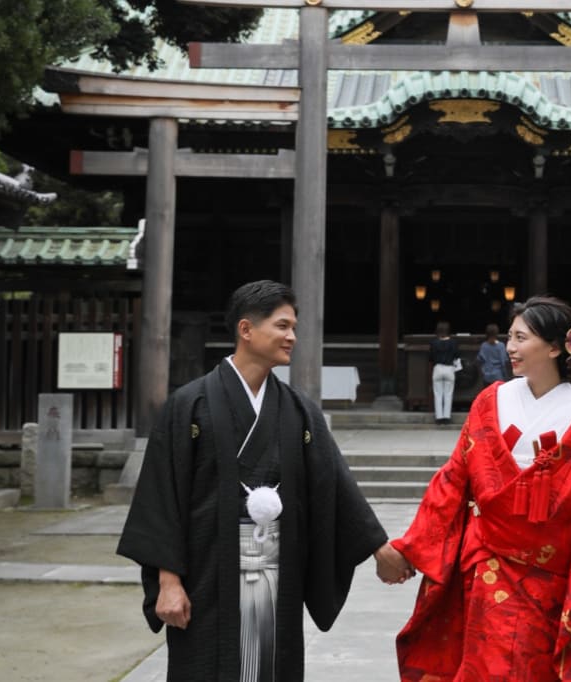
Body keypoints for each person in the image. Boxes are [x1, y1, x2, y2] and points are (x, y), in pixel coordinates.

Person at [117, 280, 413, 682]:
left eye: (293, 327)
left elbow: (335, 484)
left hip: (277, 578)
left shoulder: (296, 410)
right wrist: (168, 582)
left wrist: (380, 549)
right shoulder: (190, 404)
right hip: (207, 577)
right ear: (246, 330)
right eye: (282, 326)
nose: (292, 337)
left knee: (272, 668)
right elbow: (162, 495)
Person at [389, 295, 571, 681]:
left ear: (556, 347)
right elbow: (455, 479)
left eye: (521, 338)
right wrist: (413, 547)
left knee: (536, 668)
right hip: (487, 562)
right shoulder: (491, 401)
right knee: (484, 664)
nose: (510, 347)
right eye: (510, 337)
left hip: (551, 574)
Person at [429, 320, 460, 425]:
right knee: (448, 393)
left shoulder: (433, 342)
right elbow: (456, 355)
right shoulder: (453, 342)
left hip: (438, 368)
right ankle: (446, 417)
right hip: (449, 368)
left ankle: (439, 417)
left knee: (438, 394)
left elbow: (431, 357)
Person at [475, 322, 509, 386]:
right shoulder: (501, 346)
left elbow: (479, 359)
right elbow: (503, 362)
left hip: (487, 376)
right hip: (498, 376)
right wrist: (505, 375)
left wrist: (483, 370)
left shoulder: (484, 345)